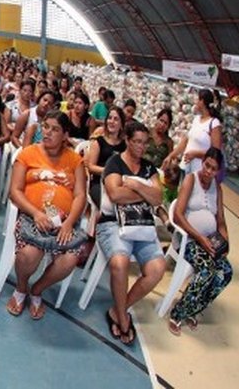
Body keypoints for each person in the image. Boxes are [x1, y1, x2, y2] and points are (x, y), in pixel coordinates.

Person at [6, 111, 87, 320]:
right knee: (29, 255)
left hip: (63, 221)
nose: (48, 132)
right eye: (46, 126)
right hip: (32, 216)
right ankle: (21, 287)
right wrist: (35, 213)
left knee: (69, 259)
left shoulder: (75, 160)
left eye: (55, 129)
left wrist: (69, 223)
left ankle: (37, 289)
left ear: (65, 135)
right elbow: (15, 191)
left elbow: (80, 195)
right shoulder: (28, 154)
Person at [97, 121, 166, 346]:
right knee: (120, 263)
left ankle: (118, 311)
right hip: (113, 223)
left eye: (145, 143)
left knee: (157, 269)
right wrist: (147, 192)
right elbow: (115, 195)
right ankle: (123, 318)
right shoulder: (114, 163)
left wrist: (136, 186)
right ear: (127, 140)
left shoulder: (149, 168)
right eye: (136, 141)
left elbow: (158, 198)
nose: (141, 147)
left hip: (142, 225)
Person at [167, 147, 232, 336]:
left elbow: (221, 221)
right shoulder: (191, 180)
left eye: (213, 169)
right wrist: (200, 238)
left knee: (226, 272)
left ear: (218, 171)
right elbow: (178, 215)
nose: (208, 171)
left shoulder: (217, 188)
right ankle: (178, 313)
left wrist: (225, 243)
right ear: (202, 163)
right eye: (206, 166)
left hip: (209, 242)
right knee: (207, 270)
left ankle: (193, 307)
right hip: (188, 240)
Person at [163, 89, 222, 176]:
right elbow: (185, 141)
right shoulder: (196, 119)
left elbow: (216, 152)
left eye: (197, 99)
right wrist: (171, 156)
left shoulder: (214, 123)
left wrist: (195, 154)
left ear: (202, 101)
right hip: (185, 167)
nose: (195, 102)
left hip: (200, 171)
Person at [84, 106, 126, 209]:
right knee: (109, 207)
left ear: (121, 124)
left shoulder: (125, 145)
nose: (112, 121)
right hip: (99, 182)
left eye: (116, 119)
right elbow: (91, 166)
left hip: (119, 183)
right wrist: (108, 171)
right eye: (110, 118)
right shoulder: (99, 142)